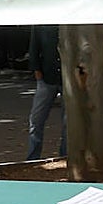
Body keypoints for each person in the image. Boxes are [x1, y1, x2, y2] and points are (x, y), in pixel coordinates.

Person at [27, 24, 66, 160]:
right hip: (47, 76)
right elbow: (34, 46)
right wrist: (37, 71)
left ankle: (64, 156)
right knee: (36, 119)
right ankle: (32, 157)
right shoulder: (42, 23)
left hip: (67, 78)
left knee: (68, 122)